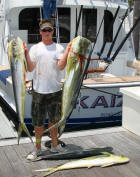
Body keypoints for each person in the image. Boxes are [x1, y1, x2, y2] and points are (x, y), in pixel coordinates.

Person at [24, 19, 71, 160]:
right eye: (44, 30)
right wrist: (25, 52)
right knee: (38, 123)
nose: (46, 32)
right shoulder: (35, 48)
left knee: (54, 121)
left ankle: (55, 146)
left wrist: (68, 50)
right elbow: (30, 68)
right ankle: (37, 149)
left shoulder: (58, 48)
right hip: (38, 91)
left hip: (55, 90)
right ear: (40, 32)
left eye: (49, 30)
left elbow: (61, 66)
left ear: (53, 31)